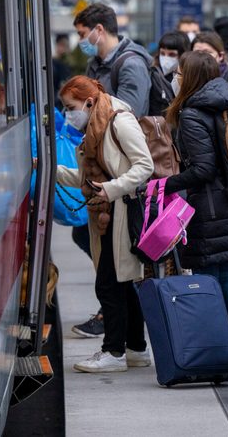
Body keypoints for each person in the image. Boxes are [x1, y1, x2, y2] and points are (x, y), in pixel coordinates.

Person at [162, 52, 228, 375]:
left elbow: (203, 168)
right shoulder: (223, 103)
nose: (175, 78)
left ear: (191, 78)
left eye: (179, 73)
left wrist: (166, 183)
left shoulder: (191, 114)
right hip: (227, 203)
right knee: (221, 277)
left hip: (209, 208)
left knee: (215, 281)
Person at [56, 76, 154, 373]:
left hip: (122, 210)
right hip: (108, 212)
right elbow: (87, 179)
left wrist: (112, 188)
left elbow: (145, 166)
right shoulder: (94, 128)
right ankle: (136, 349)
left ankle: (113, 351)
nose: (67, 114)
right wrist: (51, 169)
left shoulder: (117, 121)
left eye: (70, 107)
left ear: (89, 102)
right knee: (122, 284)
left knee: (109, 283)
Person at [75, 2, 152, 118]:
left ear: (99, 30)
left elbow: (128, 118)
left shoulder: (131, 65)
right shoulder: (94, 64)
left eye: (82, 34)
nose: (80, 41)